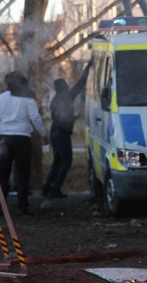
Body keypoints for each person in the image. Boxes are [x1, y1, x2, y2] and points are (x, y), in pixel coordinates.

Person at [0, 71, 48, 215]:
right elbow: (35, 118)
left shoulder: (1, 98)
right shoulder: (28, 99)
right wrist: (44, 134)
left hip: (5, 139)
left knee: (4, 172)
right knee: (22, 173)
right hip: (22, 139)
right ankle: (23, 206)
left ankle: (1, 206)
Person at [42, 59, 93, 199]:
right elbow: (80, 84)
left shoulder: (54, 101)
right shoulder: (67, 96)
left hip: (54, 132)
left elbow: (60, 117)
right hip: (62, 134)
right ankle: (55, 189)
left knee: (57, 162)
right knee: (67, 161)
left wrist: (74, 117)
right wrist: (88, 67)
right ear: (64, 87)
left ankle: (46, 187)